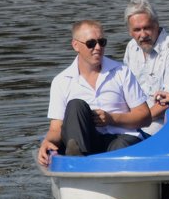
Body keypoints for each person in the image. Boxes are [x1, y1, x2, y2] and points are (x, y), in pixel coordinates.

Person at [38, 20, 151, 167]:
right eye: (91, 43)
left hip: (121, 139)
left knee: (121, 147)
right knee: (75, 105)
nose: (98, 47)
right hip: (86, 141)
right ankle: (77, 160)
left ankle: (96, 170)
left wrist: (112, 119)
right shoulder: (61, 81)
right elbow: (56, 128)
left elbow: (145, 117)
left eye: (101, 42)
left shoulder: (121, 72)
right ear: (75, 45)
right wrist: (48, 141)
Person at [122, 0, 169, 134]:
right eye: (137, 30)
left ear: (156, 24)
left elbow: (168, 101)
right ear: (130, 32)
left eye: (147, 28)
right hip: (133, 119)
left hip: (161, 122)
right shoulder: (131, 47)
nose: (143, 35)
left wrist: (135, 120)